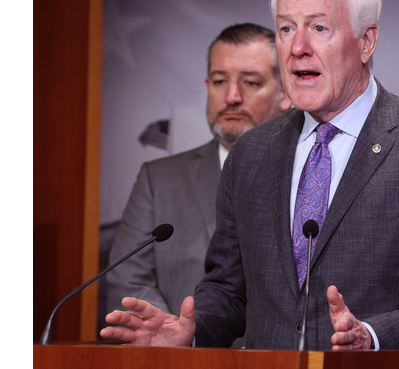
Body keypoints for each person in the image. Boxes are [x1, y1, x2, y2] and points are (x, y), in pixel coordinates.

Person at [101, 0, 399, 351]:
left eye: (319, 27)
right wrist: (193, 332)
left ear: (366, 42)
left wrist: (376, 337)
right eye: (286, 28)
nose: (298, 47)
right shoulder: (251, 153)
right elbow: (228, 290)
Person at [105, 23, 292, 323]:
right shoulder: (159, 180)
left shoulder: (311, 174)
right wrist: (178, 336)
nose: (231, 96)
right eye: (219, 81)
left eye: (250, 82)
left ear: (285, 94)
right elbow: (128, 279)